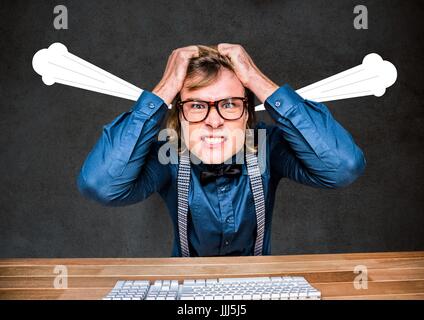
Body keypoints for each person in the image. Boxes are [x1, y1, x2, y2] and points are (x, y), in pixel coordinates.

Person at [77, 44, 366, 257]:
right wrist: (164, 90)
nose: (213, 121)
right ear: (178, 116)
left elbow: (342, 167)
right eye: (197, 105)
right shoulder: (168, 153)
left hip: (259, 289)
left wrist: (254, 78)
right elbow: (100, 185)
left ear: (247, 115)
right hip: (184, 296)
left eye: (229, 105)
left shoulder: (268, 146)